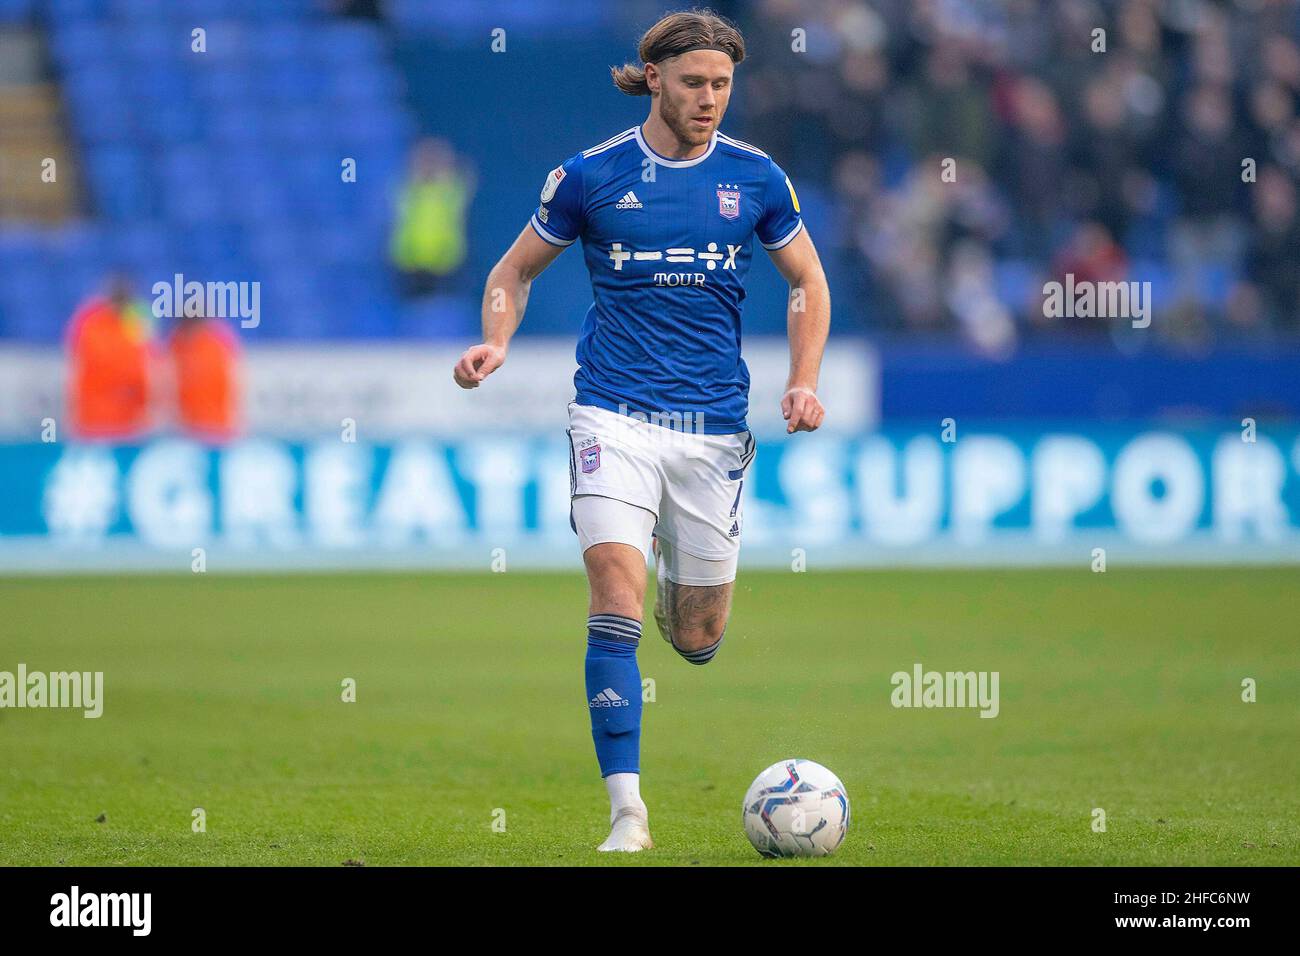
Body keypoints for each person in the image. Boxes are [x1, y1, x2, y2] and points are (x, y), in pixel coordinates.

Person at [452, 8, 830, 852]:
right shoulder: (591, 176)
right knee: (611, 595)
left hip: (712, 432)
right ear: (653, 78)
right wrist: (497, 340)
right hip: (612, 414)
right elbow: (513, 269)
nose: (709, 99)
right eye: (694, 83)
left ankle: (674, 567)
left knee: (697, 640)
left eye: (722, 85)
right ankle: (628, 812)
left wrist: (803, 380)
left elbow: (807, 279)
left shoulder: (757, 179)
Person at [65, 275, 154, 441]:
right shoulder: (91, 324)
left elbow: (143, 370)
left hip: (127, 421)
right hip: (95, 420)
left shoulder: (134, 324)